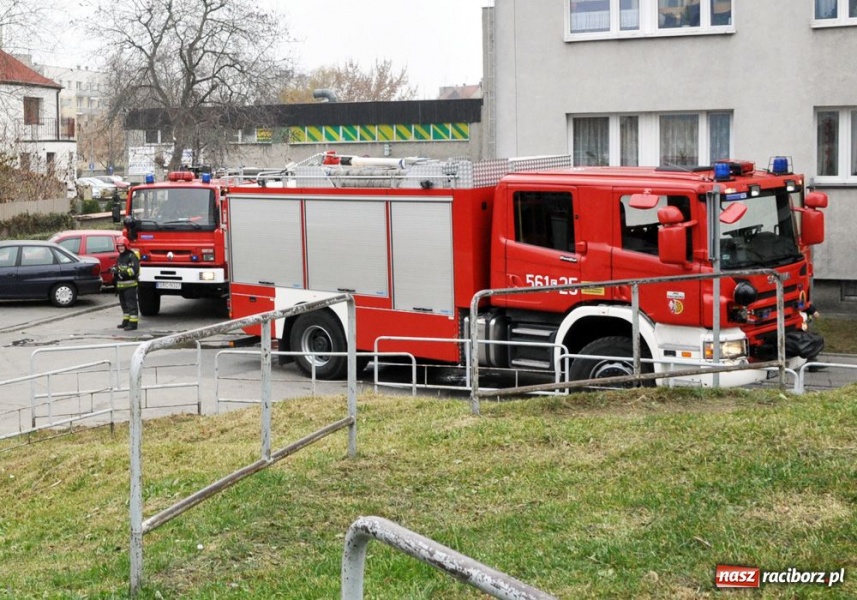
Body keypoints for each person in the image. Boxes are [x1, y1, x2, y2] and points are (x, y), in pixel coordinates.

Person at [114, 236, 140, 331]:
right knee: (124, 305)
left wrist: (122, 272)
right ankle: (126, 321)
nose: (120, 248)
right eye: (119, 246)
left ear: (126, 246)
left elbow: (134, 270)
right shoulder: (120, 257)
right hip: (121, 286)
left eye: (122, 246)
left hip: (130, 285)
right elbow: (118, 268)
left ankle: (133, 323)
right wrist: (115, 270)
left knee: (131, 305)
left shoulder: (131, 256)